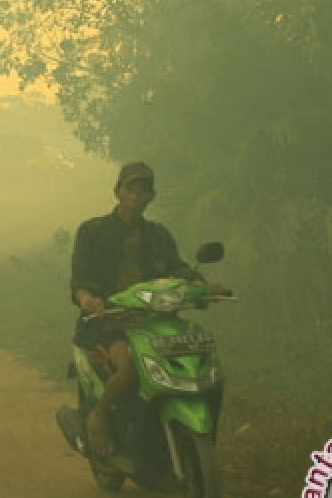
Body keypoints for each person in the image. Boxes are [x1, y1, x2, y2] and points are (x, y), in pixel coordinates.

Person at [69, 161, 222, 459]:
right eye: (130, 189)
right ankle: (99, 416)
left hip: (155, 321)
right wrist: (88, 299)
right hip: (108, 321)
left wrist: (205, 286)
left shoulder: (159, 235)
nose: (136, 196)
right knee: (129, 368)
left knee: (197, 360)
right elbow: (80, 280)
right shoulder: (93, 231)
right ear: (117, 191)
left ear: (152, 196)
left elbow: (179, 270)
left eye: (143, 190)